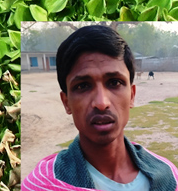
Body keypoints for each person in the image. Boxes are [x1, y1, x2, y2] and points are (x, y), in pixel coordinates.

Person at [22, 25, 178, 191]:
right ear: (66, 102)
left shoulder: (169, 176)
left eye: (115, 83)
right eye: (82, 86)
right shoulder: (41, 184)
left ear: (131, 96)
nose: (102, 103)